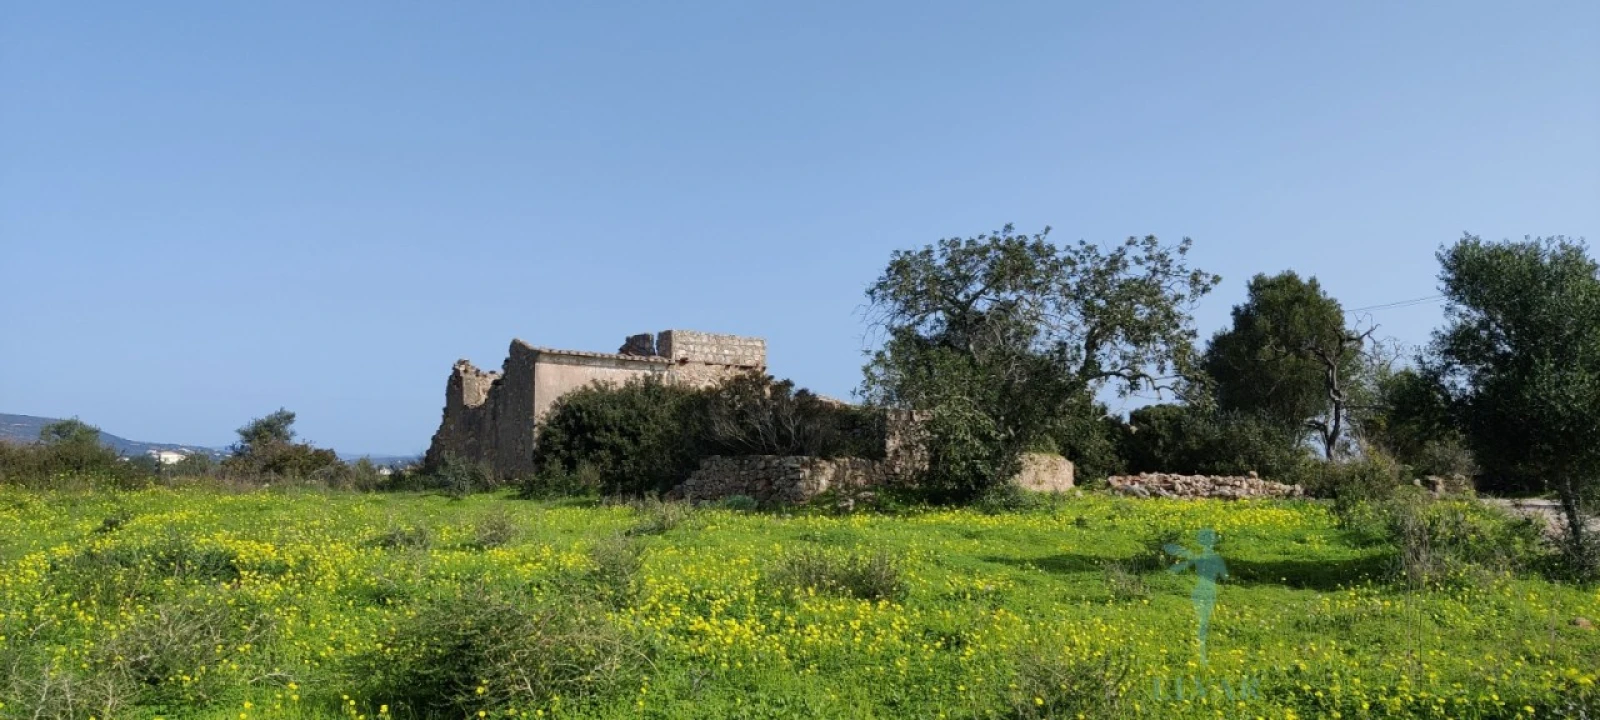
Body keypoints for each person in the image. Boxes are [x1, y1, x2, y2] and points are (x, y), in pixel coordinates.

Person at [1167, 528, 1228, 663]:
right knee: (1204, 622)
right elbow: (1225, 576)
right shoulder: (1216, 558)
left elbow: (1176, 569)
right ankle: (1201, 654)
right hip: (1210, 591)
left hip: (1198, 590)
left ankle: (1196, 648)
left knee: (1199, 620)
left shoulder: (1197, 557)